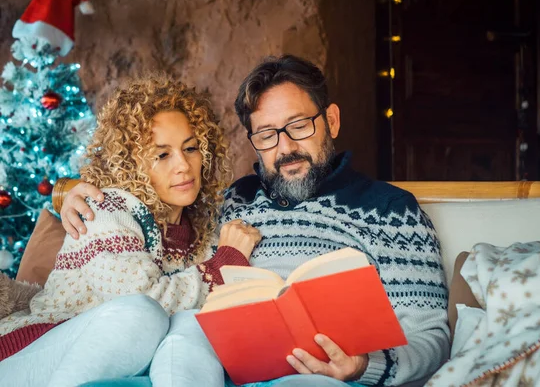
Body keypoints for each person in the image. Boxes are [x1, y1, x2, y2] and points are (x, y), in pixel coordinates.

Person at [59, 55, 450, 386]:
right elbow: (153, 213)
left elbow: (429, 336)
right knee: (185, 332)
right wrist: (76, 193)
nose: (285, 147)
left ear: (330, 121)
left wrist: (364, 367)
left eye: (299, 126)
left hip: (317, 374)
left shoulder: (391, 211)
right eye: (266, 134)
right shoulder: (230, 200)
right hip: (216, 366)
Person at [0, 77, 261, 387]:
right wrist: (221, 266)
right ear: (130, 164)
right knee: (141, 313)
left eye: (190, 148)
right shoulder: (104, 209)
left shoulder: (204, 231)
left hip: (122, 354)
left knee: (192, 323)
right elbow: (142, 299)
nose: (183, 166)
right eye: (162, 155)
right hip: (33, 350)